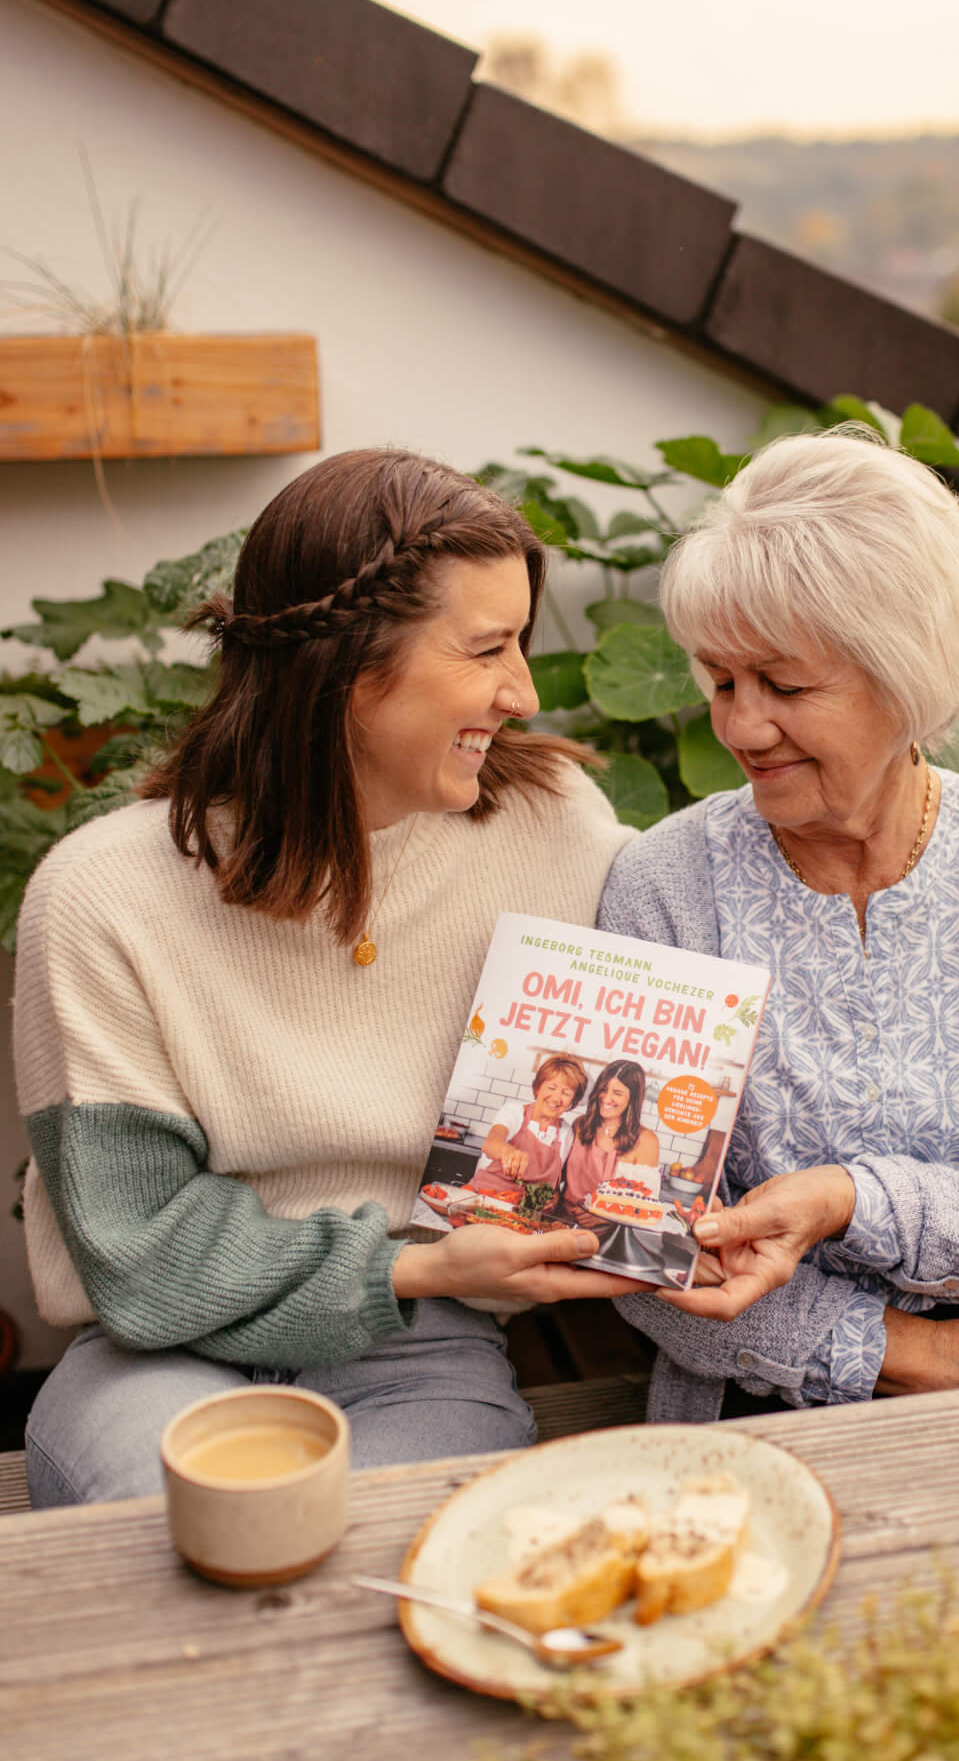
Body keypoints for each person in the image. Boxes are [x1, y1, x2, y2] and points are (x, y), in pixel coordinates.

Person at [16, 449, 642, 1505]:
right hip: (159, 1351)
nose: (524, 691)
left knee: (413, 1539)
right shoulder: (102, 899)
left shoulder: (554, 834)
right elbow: (141, 1250)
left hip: (416, 1349)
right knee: (187, 1533)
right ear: (352, 673)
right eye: (488, 648)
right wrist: (422, 1265)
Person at [597, 429, 959, 1423]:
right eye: (720, 681)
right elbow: (637, 1240)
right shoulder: (663, 884)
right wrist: (907, 1350)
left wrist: (849, 1198)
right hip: (768, 1394)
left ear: (904, 675)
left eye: (784, 685)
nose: (739, 726)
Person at [463, 1053, 589, 1201]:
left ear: (573, 1101)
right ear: (538, 1088)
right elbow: (491, 1143)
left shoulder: (566, 1133)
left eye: (566, 1093)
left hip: (523, 1215)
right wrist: (508, 1152)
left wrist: (553, 1198)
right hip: (481, 1198)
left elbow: (554, 1183)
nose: (556, 1098)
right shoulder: (514, 1112)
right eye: (551, 1087)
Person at [561, 1060, 660, 1218]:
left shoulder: (646, 1140)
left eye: (617, 1093)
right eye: (603, 1090)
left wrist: (603, 1219)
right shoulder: (580, 1124)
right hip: (562, 1218)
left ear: (632, 1099)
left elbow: (644, 1207)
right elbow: (559, 1176)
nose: (606, 1099)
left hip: (608, 1233)